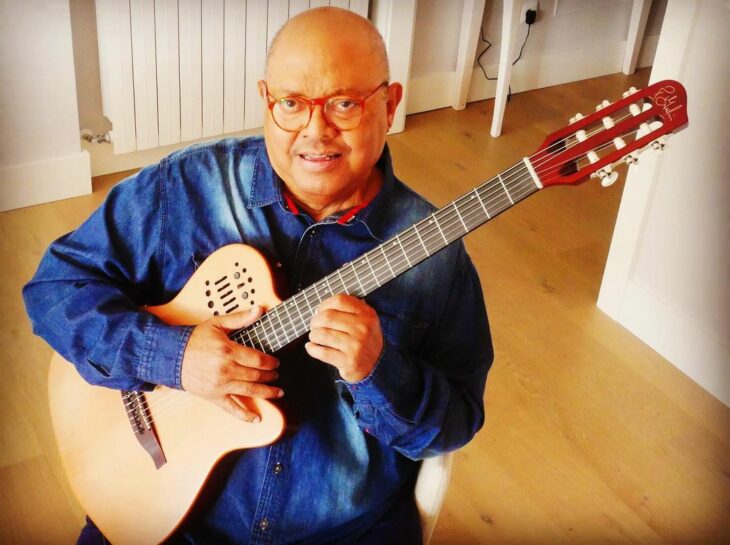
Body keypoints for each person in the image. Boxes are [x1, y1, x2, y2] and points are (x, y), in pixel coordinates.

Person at [24, 7, 492, 545]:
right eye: (291, 104)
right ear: (266, 99)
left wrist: (378, 369)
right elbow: (57, 288)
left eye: (344, 103)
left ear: (389, 105)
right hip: (164, 509)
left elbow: (454, 423)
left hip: (341, 530)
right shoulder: (186, 188)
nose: (315, 132)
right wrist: (173, 358)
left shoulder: (437, 256)